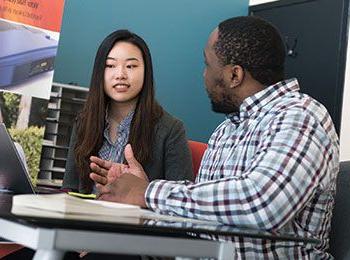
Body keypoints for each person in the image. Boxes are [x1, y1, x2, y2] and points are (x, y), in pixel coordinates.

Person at [90, 16, 339, 259]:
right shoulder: (225, 131)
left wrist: (147, 192)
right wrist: (143, 207)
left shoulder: (301, 116)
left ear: (234, 75)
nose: (204, 76)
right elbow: (200, 221)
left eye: (208, 65)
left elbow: (261, 205)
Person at [62, 30, 194, 194]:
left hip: (140, 219)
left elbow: (183, 201)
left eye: (131, 66)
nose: (120, 75)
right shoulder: (84, 122)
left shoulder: (171, 130)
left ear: (146, 72)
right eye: (110, 65)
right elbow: (69, 189)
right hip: (84, 218)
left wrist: (145, 190)